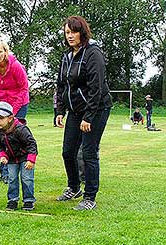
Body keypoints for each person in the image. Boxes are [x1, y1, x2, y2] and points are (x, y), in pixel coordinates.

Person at [55, 16, 113, 210]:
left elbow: (96, 87)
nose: (70, 36)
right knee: (67, 151)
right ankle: (74, 187)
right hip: (75, 110)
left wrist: (88, 117)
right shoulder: (67, 56)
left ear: (82, 32)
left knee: (88, 151)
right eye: (67, 33)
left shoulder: (93, 53)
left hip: (96, 109)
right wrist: (60, 110)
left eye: (73, 32)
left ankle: (90, 197)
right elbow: (62, 85)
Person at [0, 37, 30, 184]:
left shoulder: (16, 66)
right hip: (1, 103)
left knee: (16, 135)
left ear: (6, 52)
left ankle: (23, 167)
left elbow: (24, 88)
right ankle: (5, 174)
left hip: (19, 102)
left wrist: (14, 111)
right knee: (0, 134)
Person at [0, 101, 38, 211]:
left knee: (27, 179)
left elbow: (31, 144)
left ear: (10, 118)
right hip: (11, 159)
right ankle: (12, 200)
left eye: (1, 118)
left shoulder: (21, 129)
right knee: (12, 179)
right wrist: (2, 155)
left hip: (25, 158)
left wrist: (31, 159)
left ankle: (29, 201)